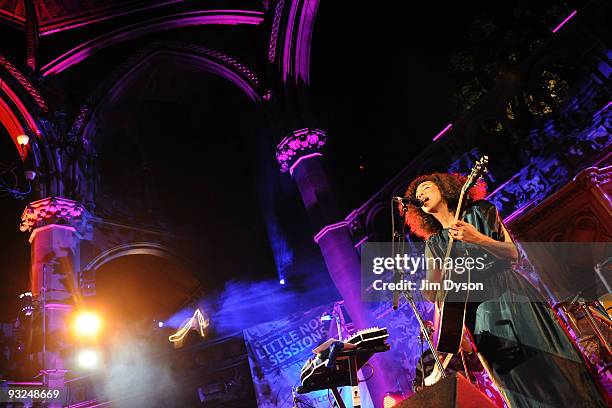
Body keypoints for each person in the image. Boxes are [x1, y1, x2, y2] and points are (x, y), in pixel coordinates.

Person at [403, 172, 606, 407]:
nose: (422, 194)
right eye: (418, 195)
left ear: (445, 188)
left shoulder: (480, 212)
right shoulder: (434, 244)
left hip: (511, 292)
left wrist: (476, 237)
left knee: (551, 363)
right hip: (480, 313)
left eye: (427, 188)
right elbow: (434, 292)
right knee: (518, 380)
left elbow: (513, 254)